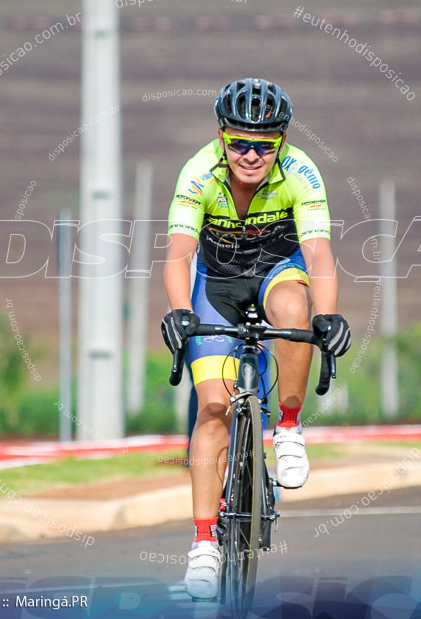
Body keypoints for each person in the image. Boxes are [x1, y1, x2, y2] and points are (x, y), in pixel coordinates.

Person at [160, 77, 351, 600]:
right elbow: (178, 251)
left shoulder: (301, 172)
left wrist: (328, 317)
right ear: (221, 137)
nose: (249, 154)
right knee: (214, 408)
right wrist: (179, 312)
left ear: (281, 144)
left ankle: (287, 426)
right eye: (239, 141)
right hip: (215, 288)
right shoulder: (199, 172)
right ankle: (204, 544)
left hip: (275, 274)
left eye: (263, 145)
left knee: (295, 307)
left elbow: (317, 254)